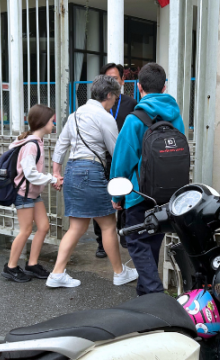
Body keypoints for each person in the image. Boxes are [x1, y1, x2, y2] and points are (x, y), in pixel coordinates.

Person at [48, 75, 138, 288]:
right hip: (92, 172)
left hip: (72, 170)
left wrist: (56, 173)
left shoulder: (75, 114)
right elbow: (117, 152)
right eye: (116, 96)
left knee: (76, 227)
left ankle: (57, 273)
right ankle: (119, 272)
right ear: (108, 95)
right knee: (108, 225)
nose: (116, 101)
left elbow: (61, 145)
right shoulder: (105, 117)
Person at [110, 62, 185, 296]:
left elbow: (122, 160)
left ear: (139, 87)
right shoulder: (175, 117)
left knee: (137, 243)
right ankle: (145, 298)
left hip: (138, 195)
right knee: (152, 244)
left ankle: (154, 295)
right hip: (166, 195)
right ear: (164, 87)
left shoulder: (135, 119)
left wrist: (116, 194)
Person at [1, 104, 62, 283]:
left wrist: (50, 180)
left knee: (43, 226)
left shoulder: (36, 142)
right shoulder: (31, 145)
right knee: (26, 230)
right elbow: (29, 173)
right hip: (24, 193)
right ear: (43, 122)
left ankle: (32, 264)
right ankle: (11, 267)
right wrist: (51, 179)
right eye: (52, 121)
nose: (54, 124)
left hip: (32, 193)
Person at [91, 63, 136, 257]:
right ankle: (101, 242)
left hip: (123, 158)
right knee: (101, 199)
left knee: (123, 195)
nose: (112, 83)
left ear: (122, 81)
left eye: (115, 79)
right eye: (108, 79)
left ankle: (124, 234)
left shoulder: (131, 104)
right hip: (101, 159)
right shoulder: (95, 105)